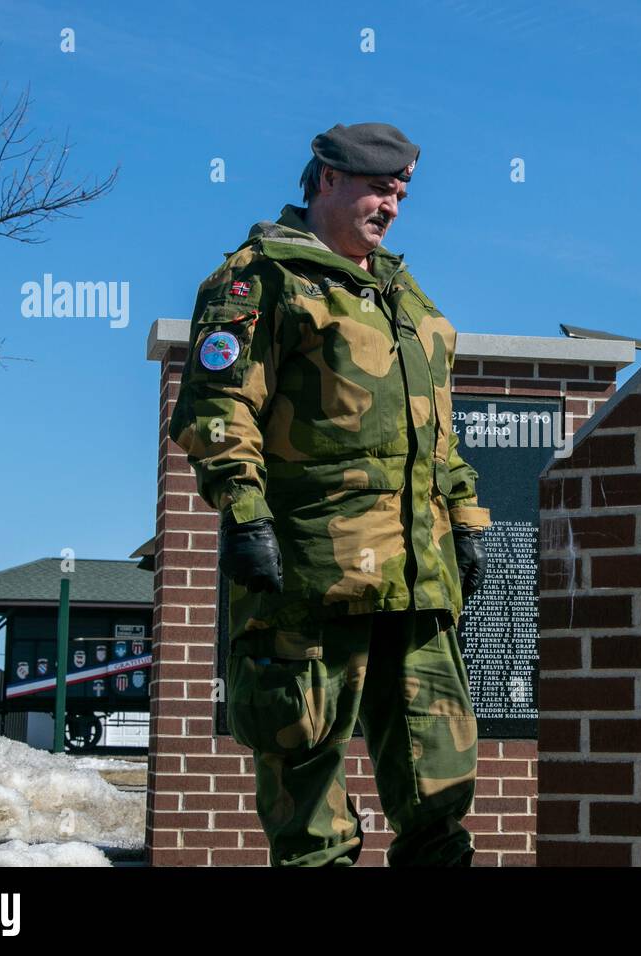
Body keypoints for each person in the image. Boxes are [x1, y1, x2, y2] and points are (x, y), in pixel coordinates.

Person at [168, 121, 490, 866]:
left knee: (440, 788)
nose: (393, 206)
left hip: (417, 580)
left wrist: (466, 521)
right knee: (308, 799)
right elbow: (219, 411)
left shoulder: (404, 296)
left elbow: (437, 430)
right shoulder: (261, 280)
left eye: (402, 192)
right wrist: (245, 517)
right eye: (380, 187)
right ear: (326, 180)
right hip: (311, 576)